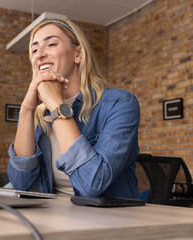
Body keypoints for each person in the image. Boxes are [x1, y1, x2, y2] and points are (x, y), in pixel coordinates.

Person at [7, 18, 140, 199]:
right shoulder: (39, 116)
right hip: (52, 219)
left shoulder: (119, 103)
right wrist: (27, 109)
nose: (39, 55)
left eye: (51, 44)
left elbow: (92, 183)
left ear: (78, 54)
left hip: (106, 221)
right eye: (34, 49)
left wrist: (57, 105)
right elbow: (22, 184)